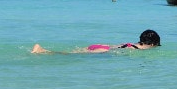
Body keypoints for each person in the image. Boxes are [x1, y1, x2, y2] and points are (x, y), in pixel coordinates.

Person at [31, 29, 160, 54]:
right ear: (153, 44)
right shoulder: (140, 49)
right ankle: (42, 51)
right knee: (70, 55)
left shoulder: (133, 44)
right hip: (103, 50)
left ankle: (42, 50)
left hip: (100, 46)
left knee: (73, 52)